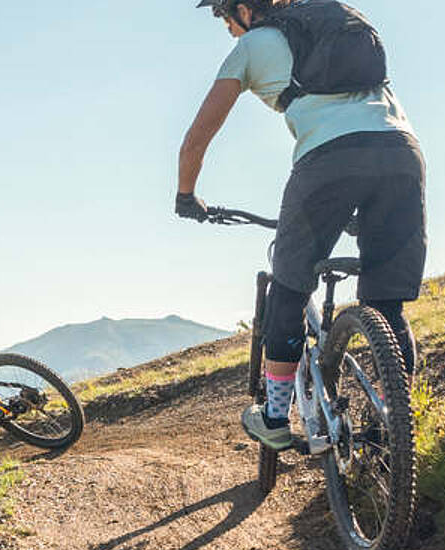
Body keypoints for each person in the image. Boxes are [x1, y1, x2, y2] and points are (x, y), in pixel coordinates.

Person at [176, 0, 426, 451]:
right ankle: (398, 421)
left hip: (328, 165)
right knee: (388, 304)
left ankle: (274, 417)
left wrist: (186, 195)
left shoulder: (253, 45)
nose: (229, 31)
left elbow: (198, 136)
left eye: (224, 19)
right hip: (401, 154)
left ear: (242, 10)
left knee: (288, 287)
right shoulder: (337, 21)